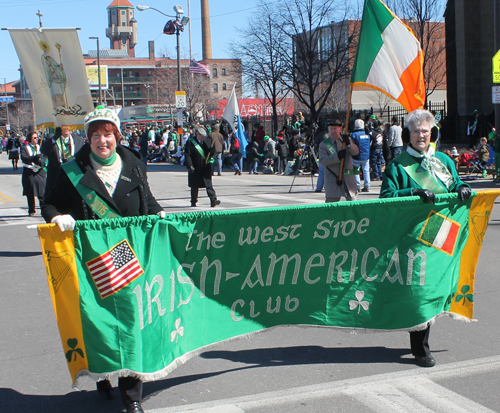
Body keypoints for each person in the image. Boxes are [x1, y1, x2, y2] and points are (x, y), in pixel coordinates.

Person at [42, 106, 165, 413]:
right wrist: (58, 218)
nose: (102, 141)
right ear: (88, 138)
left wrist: (160, 213)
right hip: (91, 256)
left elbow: (146, 198)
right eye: (95, 135)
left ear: (117, 135)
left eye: (107, 134)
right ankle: (101, 374)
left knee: (128, 321)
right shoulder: (72, 169)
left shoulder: (133, 162)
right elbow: (50, 204)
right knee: (100, 323)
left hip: (128, 253)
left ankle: (131, 396)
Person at [380, 109, 471, 368]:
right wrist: (413, 192)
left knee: (436, 288)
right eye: (417, 130)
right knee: (420, 292)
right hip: (415, 235)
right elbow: (386, 199)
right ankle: (420, 348)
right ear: (408, 134)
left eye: (426, 131)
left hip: (443, 233)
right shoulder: (398, 165)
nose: (421, 135)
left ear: (432, 133)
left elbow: (454, 183)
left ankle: (421, 335)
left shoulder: (443, 159)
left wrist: (462, 187)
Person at [318, 119, 359, 203]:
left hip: (348, 180)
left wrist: (349, 145)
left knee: (353, 206)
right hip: (333, 179)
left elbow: (356, 152)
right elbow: (323, 161)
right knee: (331, 207)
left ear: (341, 129)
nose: (333, 131)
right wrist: (337, 157)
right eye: (330, 128)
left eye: (335, 128)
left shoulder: (346, 140)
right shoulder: (324, 144)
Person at [184, 127, 221, 207]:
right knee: (194, 186)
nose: (203, 138)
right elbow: (188, 155)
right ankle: (193, 201)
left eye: (204, 136)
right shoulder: (190, 142)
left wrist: (211, 151)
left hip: (205, 167)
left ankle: (213, 200)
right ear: (198, 134)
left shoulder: (207, 141)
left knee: (209, 185)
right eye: (202, 136)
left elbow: (210, 154)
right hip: (195, 167)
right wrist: (189, 165)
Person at [21, 132, 46, 216]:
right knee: (30, 192)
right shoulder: (24, 148)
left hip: (40, 172)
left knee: (42, 193)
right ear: (30, 139)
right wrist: (34, 158)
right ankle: (31, 210)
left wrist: (40, 162)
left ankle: (43, 210)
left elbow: (44, 158)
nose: (37, 139)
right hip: (29, 172)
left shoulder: (41, 148)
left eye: (37, 137)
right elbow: (24, 158)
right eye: (34, 137)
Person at [350, 119, 371, 192]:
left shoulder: (354, 135)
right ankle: (367, 185)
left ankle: (357, 185)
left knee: (356, 170)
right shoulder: (367, 134)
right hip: (366, 155)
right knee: (366, 171)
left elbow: (351, 145)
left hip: (356, 156)